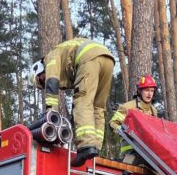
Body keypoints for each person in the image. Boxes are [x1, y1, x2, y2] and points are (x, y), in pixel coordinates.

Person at [32, 38, 116, 167]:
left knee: (82, 101)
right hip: (107, 58)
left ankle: (86, 146)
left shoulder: (50, 57)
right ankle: (96, 146)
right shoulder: (63, 54)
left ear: (39, 71)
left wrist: (50, 112)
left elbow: (52, 82)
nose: (44, 82)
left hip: (89, 58)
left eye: (42, 81)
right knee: (98, 107)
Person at [109, 75, 164, 165]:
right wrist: (121, 130)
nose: (149, 94)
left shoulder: (153, 111)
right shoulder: (128, 107)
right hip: (130, 152)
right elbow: (113, 123)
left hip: (147, 152)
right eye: (146, 90)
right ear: (139, 91)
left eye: (152, 91)